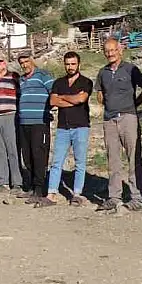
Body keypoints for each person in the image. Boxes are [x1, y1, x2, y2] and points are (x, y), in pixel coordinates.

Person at [93, 38, 142, 212]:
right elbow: (99, 93)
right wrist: (107, 103)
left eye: (113, 50)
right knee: (113, 159)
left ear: (120, 50)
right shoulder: (102, 72)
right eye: (107, 51)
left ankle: (137, 197)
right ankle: (114, 196)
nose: (110, 53)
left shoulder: (131, 69)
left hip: (128, 117)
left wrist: (134, 104)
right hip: (110, 119)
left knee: (133, 157)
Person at [47, 52, 93, 206]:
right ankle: (51, 192)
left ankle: (77, 193)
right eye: (67, 64)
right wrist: (72, 98)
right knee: (56, 161)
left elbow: (82, 99)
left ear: (78, 64)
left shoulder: (86, 81)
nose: (70, 67)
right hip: (63, 128)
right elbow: (53, 101)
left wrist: (63, 97)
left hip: (81, 126)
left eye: (73, 64)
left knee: (80, 162)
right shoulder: (58, 82)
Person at [17, 54, 54, 204]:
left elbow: (54, 92)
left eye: (27, 61)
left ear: (32, 61)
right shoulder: (21, 80)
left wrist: (51, 108)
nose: (25, 65)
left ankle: (39, 189)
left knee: (39, 155)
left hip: (39, 122)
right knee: (27, 157)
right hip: (24, 122)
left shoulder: (43, 76)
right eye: (22, 63)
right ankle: (32, 187)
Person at [0, 57, 22, 192]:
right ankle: (3, 182)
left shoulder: (14, 78)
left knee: (13, 149)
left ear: (5, 63)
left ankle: (17, 182)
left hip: (10, 116)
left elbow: (20, 97)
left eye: (0, 62)